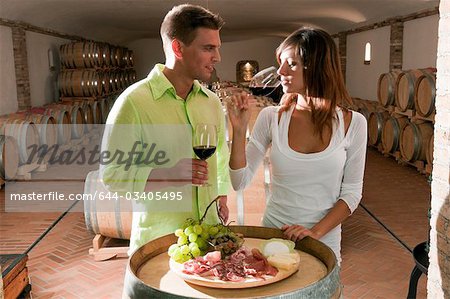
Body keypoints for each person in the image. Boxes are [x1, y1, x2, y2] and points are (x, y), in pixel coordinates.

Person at [227, 27, 367, 263]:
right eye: (281, 63)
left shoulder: (354, 123)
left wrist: (314, 233)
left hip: (324, 243)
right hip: (274, 236)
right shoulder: (272, 117)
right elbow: (239, 181)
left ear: (317, 67)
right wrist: (239, 131)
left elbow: (352, 194)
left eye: (291, 64)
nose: (280, 71)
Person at [100, 4, 230, 255]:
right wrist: (168, 173)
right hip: (160, 243)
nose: (217, 57)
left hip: (210, 238)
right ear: (178, 48)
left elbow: (221, 155)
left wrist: (221, 194)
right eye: (208, 48)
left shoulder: (211, 102)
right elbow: (112, 176)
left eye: (217, 48)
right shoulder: (133, 102)